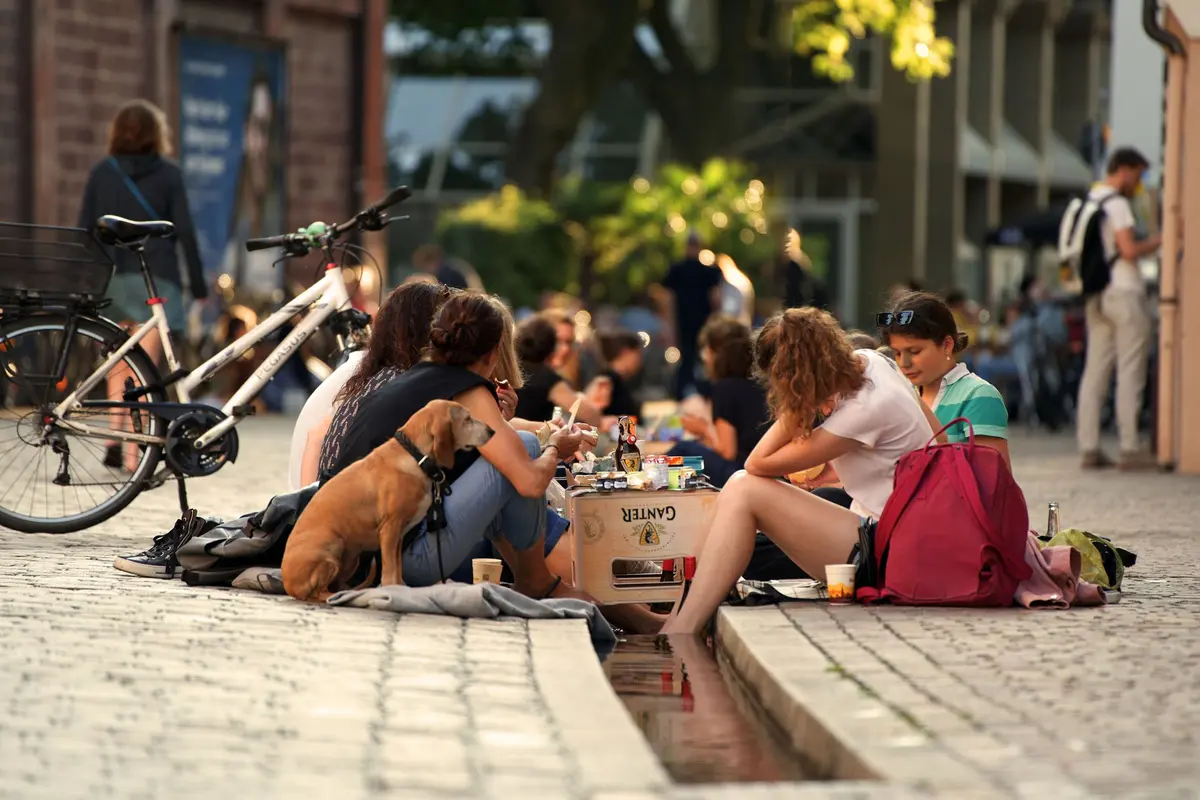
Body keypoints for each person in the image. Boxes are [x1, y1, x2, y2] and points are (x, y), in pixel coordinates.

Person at [662, 308, 942, 635]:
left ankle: (682, 626)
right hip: (904, 537)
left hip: (896, 555)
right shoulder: (873, 361)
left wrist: (799, 407)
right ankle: (680, 616)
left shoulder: (863, 410)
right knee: (741, 485)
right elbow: (940, 437)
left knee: (744, 486)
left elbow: (756, 464)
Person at [77, 99, 207, 470]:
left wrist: (88, 279)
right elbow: (185, 231)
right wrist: (197, 283)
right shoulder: (169, 174)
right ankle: (135, 456)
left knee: (119, 364)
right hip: (157, 277)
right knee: (145, 369)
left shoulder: (103, 173)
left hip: (114, 278)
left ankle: (114, 438)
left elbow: (86, 229)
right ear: (157, 134)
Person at [287, 281, 452, 490]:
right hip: (338, 504)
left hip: (316, 496)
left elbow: (316, 436)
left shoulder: (373, 372)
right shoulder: (402, 382)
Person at [1075, 147, 1160, 470]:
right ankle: (1130, 447)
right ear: (1124, 170)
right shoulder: (1118, 204)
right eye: (1137, 175)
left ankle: (1089, 446)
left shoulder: (1090, 199)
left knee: (1095, 372)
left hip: (1096, 295)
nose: (1138, 183)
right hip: (1123, 292)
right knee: (1130, 368)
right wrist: (1161, 240)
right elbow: (1127, 250)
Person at [879, 291, 1010, 467]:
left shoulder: (978, 396)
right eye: (897, 353)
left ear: (947, 345)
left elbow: (992, 481)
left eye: (915, 352)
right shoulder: (902, 393)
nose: (904, 362)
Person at [670, 316, 769, 487]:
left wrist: (702, 429)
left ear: (716, 352)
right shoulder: (761, 383)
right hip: (760, 468)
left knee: (683, 449)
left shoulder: (725, 388)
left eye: (706, 350)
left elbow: (727, 450)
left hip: (740, 472)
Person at [661, 232, 724, 399]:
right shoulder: (709, 272)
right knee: (703, 359)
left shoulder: (676, 270)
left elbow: (668, 301)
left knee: (687, 360)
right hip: (701, 323)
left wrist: (670, 324)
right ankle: (704, 392)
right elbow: (715, 299)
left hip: (684, 322)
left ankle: (682, 394)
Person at [513, 313, 604, 425]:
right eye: (558, 341)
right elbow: (590, 415)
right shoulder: (545, 377)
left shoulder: (515, 368)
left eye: (569, 342)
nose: (565, 349)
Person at [594, 329, 644, 421]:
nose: (639, 361)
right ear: (626, 352)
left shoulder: (619, 380)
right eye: (638, 354)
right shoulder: (607, 381)